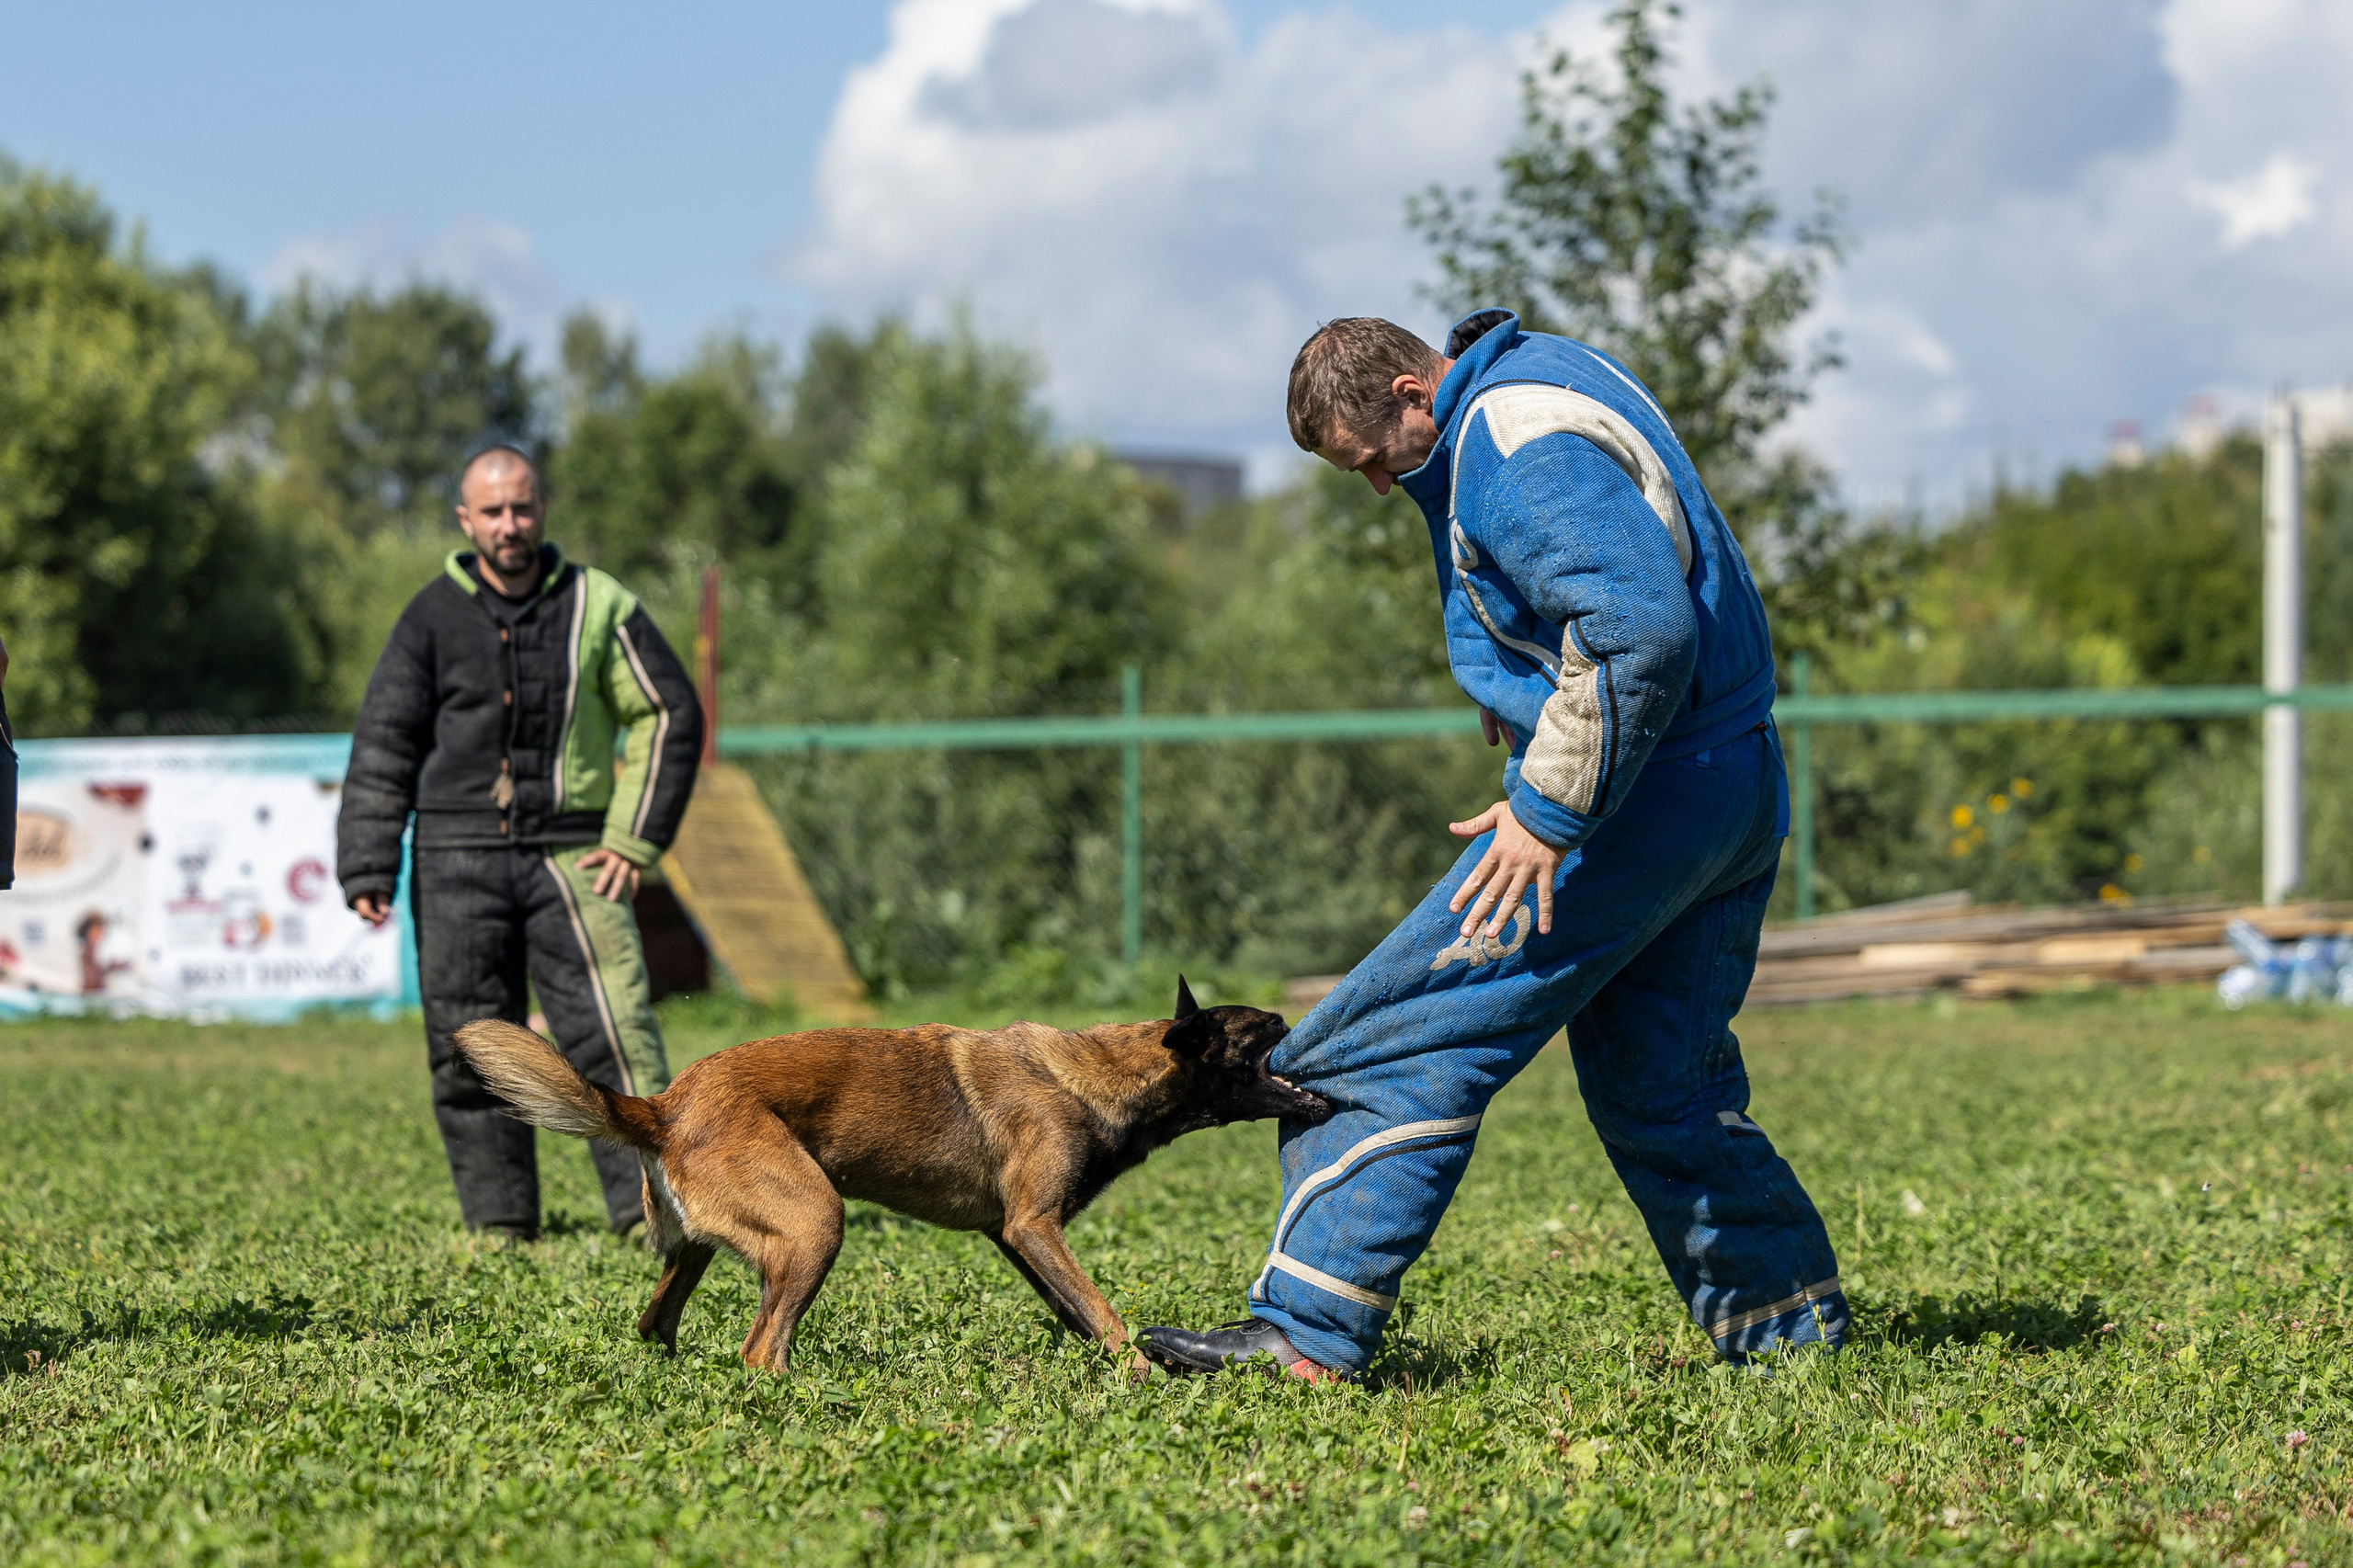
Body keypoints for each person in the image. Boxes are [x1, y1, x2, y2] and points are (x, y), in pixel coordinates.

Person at [1141, 311, 1845, 1381]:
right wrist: (1522, 682)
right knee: (1663, 1079)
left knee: (1388, 1038)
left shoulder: (1510, 445)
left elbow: (1638, 626)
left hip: (1640, 801)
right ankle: (1788, 1332)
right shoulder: (1538, 373)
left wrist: (1545, 811)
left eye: (1373, 461)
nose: (1377, 487)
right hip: (1731, 776)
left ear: (1412, 393)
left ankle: (1305, 1333)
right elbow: (1631, 562)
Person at [337, 445, 702, 1241]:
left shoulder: (599, 604)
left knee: (613, 1032)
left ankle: (653, 1216)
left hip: (574, 856)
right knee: (466, 1045)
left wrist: (633, 839)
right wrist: (368, 860)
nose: (510, 524)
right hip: (453, 855)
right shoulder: (430, 615)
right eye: (493, 511)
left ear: (543, 509)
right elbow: (385, 740)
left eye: (523, 507)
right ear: (466, 520)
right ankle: (500, 1221)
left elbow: (668, 713)